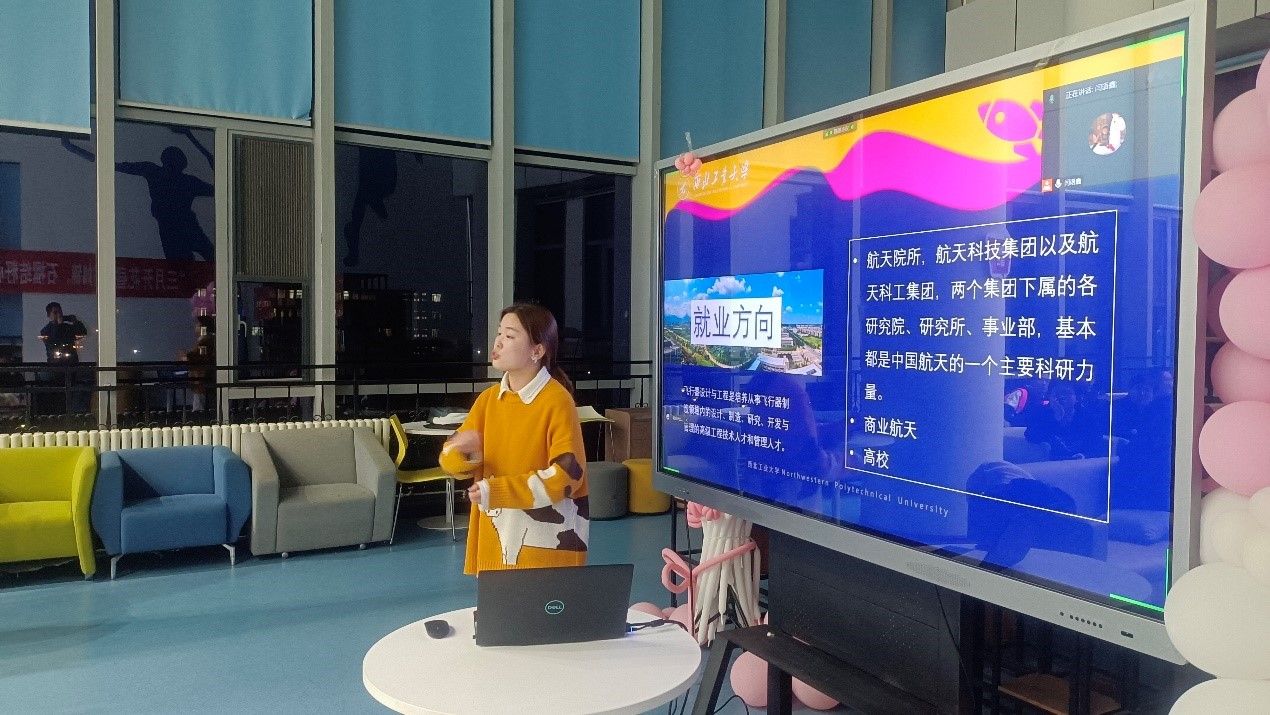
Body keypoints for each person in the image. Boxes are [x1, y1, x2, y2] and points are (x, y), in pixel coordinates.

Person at [439, 304, 589, 575]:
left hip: (546, 548)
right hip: (495, 542)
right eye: (499, 333)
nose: (498, 342)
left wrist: (496, 491)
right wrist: (462, 453)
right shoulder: (487, 400)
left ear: (537, 351)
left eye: (509, 336)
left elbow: (568, 474)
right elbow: (449, 459)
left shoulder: (557, 401)